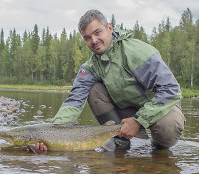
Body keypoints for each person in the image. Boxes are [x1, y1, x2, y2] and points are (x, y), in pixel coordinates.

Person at [34, 9, 185, 151]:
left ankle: (158, 148)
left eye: (97, 32)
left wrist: (138, 121)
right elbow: (74, 101)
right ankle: (120, 141)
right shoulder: (90, 68)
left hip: (160, 107)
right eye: (87, 37)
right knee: (94, 89)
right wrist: (50, 134)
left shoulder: (137, 52)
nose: (94, 40)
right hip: (126, 109)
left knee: (168, 128)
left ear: (110, 28)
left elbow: (171, 90)